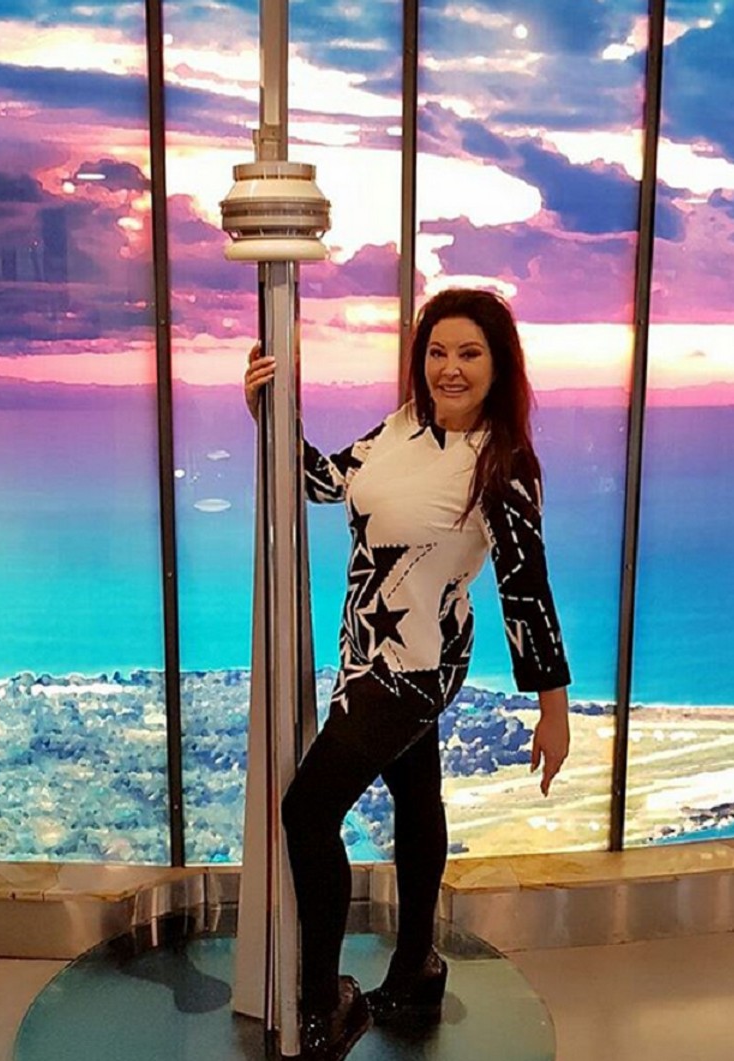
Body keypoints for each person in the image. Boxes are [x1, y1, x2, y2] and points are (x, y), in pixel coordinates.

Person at [244, 287, 571, 1061]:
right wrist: (270, 414)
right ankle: (417, 967)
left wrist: (553, 709)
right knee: (416, 794)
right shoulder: (400, 428)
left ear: (499, 365)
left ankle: (323, 1007)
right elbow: (325, 480)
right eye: (437, 352)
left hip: (419, 665)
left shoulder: (503, 464)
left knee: (307, 812)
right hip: (367, 653)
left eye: (469, 353)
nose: (449, 368)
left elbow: (526, 589)